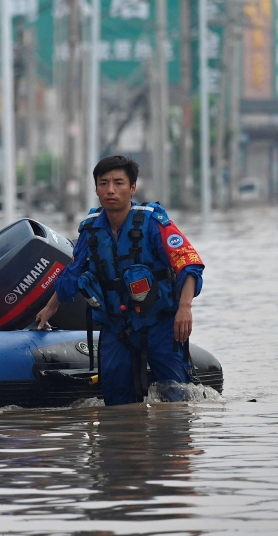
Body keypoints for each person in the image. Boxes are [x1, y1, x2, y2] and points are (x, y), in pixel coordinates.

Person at [34, 155, 204, 406]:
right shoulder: (90, 230)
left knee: (175, 400)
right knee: (115, 403)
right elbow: (73, 272)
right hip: (116, 327)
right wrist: (49, 309)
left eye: (118, 183)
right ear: (96, 189)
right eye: (103, 183)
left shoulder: (153, 222)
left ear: (132, 187)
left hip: (160, 325)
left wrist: (185, 308)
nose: (110, 190)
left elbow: (189, 263)